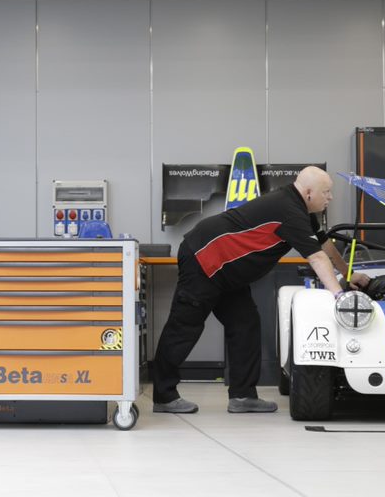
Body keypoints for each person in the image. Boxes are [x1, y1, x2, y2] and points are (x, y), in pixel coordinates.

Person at [153, 166, 370, 414]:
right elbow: (318, 258)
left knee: (245, 324)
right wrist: (340, 296)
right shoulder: (289, 210)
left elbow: (325, 246)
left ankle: (243, 397)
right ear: (309, 192)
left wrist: (348, 274)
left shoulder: (301, 209)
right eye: (327, 192)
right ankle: (164, 396)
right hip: (204, 258)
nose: (330, 197)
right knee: (184, 326)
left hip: (227, 272)